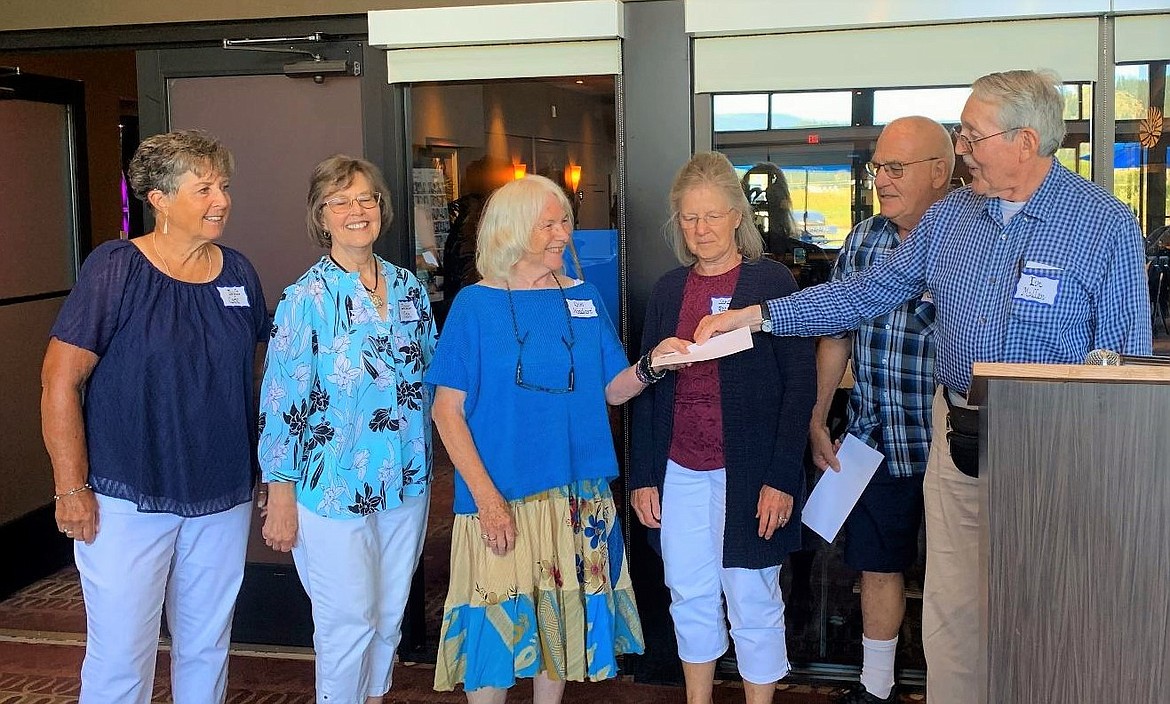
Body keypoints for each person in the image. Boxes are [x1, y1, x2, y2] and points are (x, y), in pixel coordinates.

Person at [694, 69, 1152, 704]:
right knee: (954, 608)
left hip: (1057, 443)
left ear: (1024, 141)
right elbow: (865, 294)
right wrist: (763, 316)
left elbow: (1126, 358)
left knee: (1049, 602)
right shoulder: (951, 222)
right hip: (957, 428)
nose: (961, 147)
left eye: (971, 135)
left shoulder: (1103, 222)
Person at [428, 174, 682, 703]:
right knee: (493, 640)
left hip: (576, 492)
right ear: (513, 230)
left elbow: (613, 389)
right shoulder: (474, 306)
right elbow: (446, 413)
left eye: (564, 220)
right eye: (548, 223)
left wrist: (655, 364)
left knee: (560, 633)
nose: (562, 233)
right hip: (499, 496)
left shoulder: (584, 298)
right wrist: (488, 501)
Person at [40, 129, 268, 703]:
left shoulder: (238, 273)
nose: (221, 199)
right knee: (121, 652)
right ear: (160, 199)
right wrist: (70, 487)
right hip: (126, 495)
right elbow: (59, 380)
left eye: (224, 186)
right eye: (204, 188)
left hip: (220, 493)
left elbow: (259, 380)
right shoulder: (116, 268)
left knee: (207, 645)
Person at [630, 152, 816, 704]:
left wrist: (782, 477)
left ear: (738, 215)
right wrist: (645, 475)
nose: (700, 229)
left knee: (753, 593)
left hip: (753, 471)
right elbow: (650, 386)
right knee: (688, 593)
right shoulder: (668, 289)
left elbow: (798, 385)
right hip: (681, 468)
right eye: (689, 218)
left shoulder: (771, 280)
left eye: (712, 215)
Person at [257, 155, 436, 704]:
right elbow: (281, 400)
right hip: (333, 488)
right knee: (346, 623)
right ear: (322, 215)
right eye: (342, 201)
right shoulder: (304, 298)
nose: (358, 211)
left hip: (406, 482)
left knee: (387, 617)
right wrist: (280, 494)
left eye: (367, 199)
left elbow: (432, 378)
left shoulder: (409, 286)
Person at [805, 117, 954, 704]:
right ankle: (876, 687)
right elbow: (837, 328)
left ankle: (954, 687)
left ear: (939, 172)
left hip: (954, 442)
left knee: (957, 579)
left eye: (896, 169)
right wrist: (818, 416)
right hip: (874, 435)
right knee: (876, 566)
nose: (882, 181)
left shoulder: (970, 241)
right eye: (878, 168)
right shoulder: (864, 239)